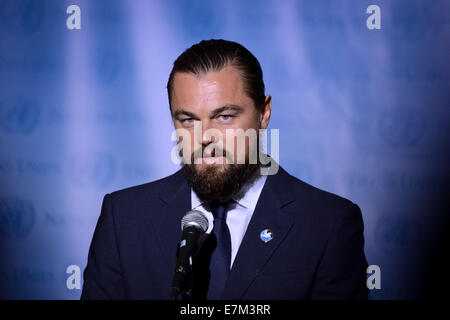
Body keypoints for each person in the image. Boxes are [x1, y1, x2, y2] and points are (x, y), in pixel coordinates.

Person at [81, 39, 368, 300]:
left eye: (225, 116)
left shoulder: (328, 223)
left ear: (264, 112)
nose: (205, 136)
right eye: (189, 120)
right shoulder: (124, 218)